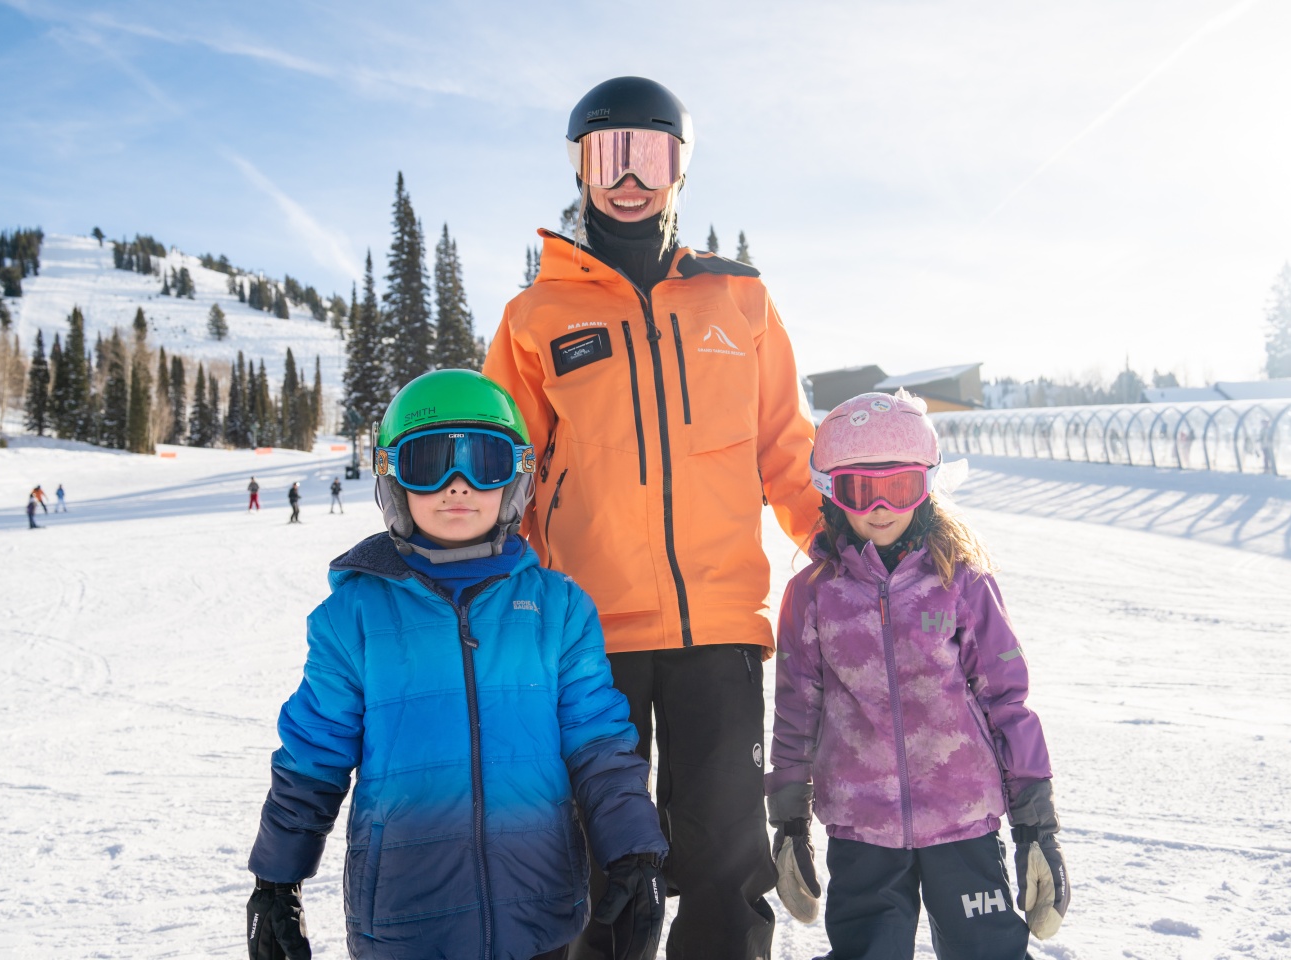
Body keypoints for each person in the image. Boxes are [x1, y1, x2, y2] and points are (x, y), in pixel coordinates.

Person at [482, 76, 819, 960]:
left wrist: (843, 547)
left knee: (726, 859)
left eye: (652, 153)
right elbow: (503, 474)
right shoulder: (536, 316)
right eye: (607, 153)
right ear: (580, 167)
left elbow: (784, 445)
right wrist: (488, 597)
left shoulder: (738, 300)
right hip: (589, 635)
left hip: (719, 628)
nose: (629, 176)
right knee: (601, 861)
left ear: (680, 169)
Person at [245, 369, 668, 960]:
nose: (458, 485)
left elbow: (599, 744)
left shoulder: (559, 608)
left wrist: (634, 852)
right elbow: (313, 755)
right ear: (394, 480)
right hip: (404, 918)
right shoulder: (353, 616)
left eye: (484, 461)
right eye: (430, 463)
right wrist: (276, 881)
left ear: (515, 478)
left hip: (537, 912)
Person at [766, 391, 1070, 960]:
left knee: (989, 952)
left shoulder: (960, 581)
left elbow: (1007, 700)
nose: (880, 505)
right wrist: (788, 821)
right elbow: (794, 710)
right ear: (832, 491)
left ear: (926, 487)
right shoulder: (812, 595)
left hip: (963, 818)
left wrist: (1037, 827)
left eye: (900, 487)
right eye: (861, 488)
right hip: (861, 825)